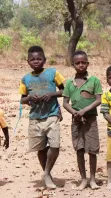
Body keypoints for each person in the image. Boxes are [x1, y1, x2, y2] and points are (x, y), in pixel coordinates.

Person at [19, 46, 65, 189]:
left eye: (39, 59)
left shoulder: (53, 73)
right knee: (41, 148)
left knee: (55, 146)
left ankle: (46, 172)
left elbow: (65, 90)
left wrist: (51, 94)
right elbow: (22, 99)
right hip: (35, 118)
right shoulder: (25, 79)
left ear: (44, 60)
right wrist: (30, 97)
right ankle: (47, 175)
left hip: (52, 114)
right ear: (28, 62)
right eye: (32, 59)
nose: (36, 61)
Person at [63, 50, 102, 190]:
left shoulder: (94, 81)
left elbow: (98, 100)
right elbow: (65, 103)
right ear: (73, 64)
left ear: (88, 63)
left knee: (92, 149)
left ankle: (92, 179)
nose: (81, 65)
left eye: (83, 62)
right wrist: (75, 113)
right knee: (79, 149)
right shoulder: (69, 83)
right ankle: (83, 179)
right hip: (76, 121)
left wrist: (85, 111)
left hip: (91, 119)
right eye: (77, 63)